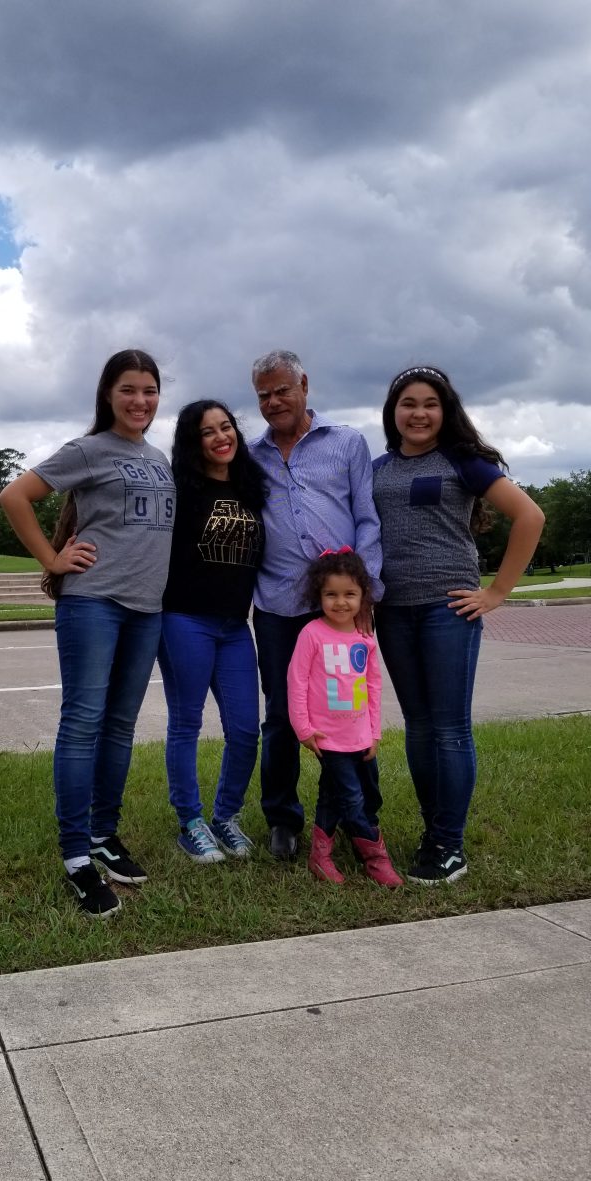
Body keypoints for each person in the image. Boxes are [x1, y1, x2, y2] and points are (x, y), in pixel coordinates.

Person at [0, 350, 175, 918]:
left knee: (120, 727)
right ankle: (75, 855)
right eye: (129, 389)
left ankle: (104, 834)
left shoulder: (158, 457)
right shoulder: (88, 450)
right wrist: (53, 559)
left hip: (147, 608)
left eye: (149, 390)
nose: (140, 401)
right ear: (108, 394)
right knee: (82, 724)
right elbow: (15, 496)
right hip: (94, 602)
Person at [373, 365, 544, 885]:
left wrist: (496, 592)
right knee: (419, 727)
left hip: (448, 610)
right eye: (408, 403)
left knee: (448, 728)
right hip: (393, 611)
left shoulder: (463, 462)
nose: (418, 413)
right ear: (393, 412)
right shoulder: (378, 468)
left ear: (445, 411)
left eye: (429, 403)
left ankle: (449, 843)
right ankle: (433, 829)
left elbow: (530, 516)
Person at [248, 350, 383, 861]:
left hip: (343, 607)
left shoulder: (347, 443)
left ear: (304, 384)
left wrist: (363, 594)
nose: (274, 401)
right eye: (263, 394)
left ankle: (357, 817)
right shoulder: (251, 454)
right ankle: (283, 819)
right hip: (280, 606)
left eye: (282, 389)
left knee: (350, 710)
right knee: (283, 715)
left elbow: (367, 519)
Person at [158, 400, 267, 863]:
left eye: (226, 427)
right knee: (186, 722)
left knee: (245, 729)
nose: (221, 437)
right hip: (184, 619)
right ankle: (190, 822)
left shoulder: (251, 487)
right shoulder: (181, 489)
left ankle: (225, 816)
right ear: (192, 441)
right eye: (208, 432)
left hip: (234, 624)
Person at [287, 548, 402, 887]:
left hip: (360, 734)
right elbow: (297, 681)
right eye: (331, 595)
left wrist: (374, 731)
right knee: (353, 798)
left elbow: (374, 685)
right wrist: (303, 728)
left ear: (363, 596)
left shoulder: (364, 636)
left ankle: (320, 856)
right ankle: (375, 858)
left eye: (349, 594)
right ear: (318, 595)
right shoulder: (312, 634)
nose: (340, 602)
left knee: (338, 794)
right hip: (326, 736)